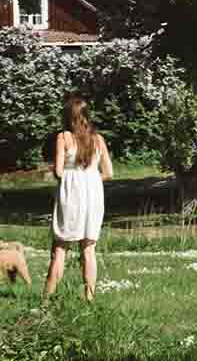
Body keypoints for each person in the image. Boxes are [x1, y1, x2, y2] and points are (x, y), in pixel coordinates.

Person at [45, 93, 113, 301]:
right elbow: (109, 173)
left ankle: (46, 302)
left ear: (67, 117)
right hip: (93, 195)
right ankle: (89, 298)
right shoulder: (98, 139)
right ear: (87, 115)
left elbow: (58, 171)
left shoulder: (63, 137)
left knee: (60, 248)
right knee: (89, 248)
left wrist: (73, 179)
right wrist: (89, 179)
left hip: (71, 195)